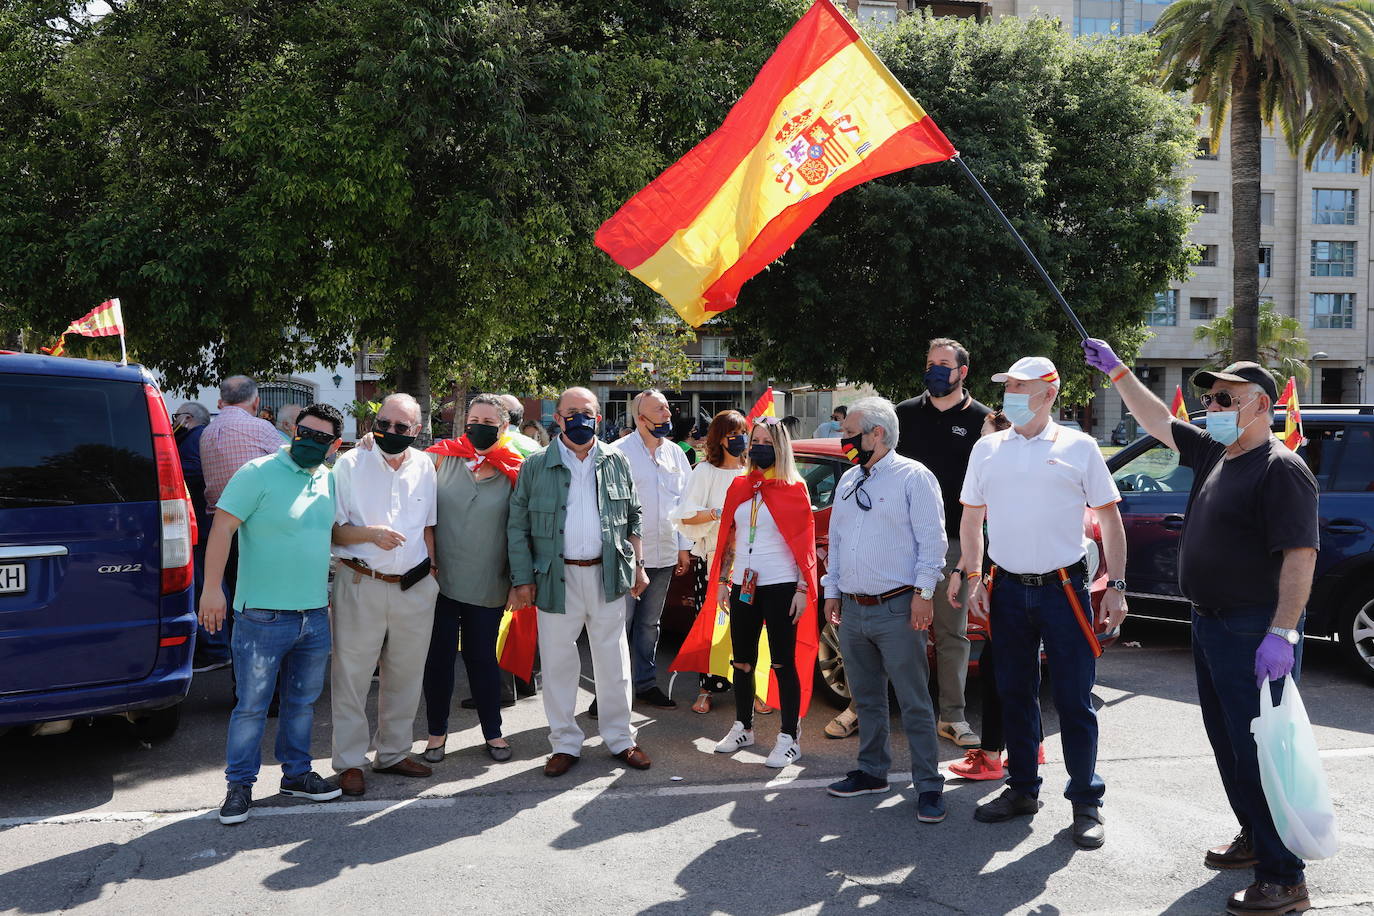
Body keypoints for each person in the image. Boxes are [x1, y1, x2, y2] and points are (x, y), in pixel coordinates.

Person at [1084, 341, 1319, 914]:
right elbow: (1157, 421)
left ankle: (1284, 877)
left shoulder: (1281, 469)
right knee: (1229, 744)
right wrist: (1117, 371)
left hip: (1251, 629)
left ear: (1261, 405)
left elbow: (1300, 555)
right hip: (1210, 623)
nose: (1210, 405)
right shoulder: (1218, 452)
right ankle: (1253, 837)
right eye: (1209, 397)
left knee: (1258, 752)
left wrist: (1282, 633)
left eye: (1224, 398)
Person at [957, 356, 1127, 849]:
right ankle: (1023, 790)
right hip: (1005, 587)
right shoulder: (987, 448)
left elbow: (1110, 520)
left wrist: (1116, 585)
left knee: (1074, 700)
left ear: (1049, 393)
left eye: (1017, 386)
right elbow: (971, 521)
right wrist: (974, 578)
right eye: (1005, 385)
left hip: (1064, 589)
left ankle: (1085, 802)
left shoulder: (1080, 445)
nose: (1008, 393)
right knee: (1014, 694)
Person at [198, 403, 346, 825]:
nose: (309, 441)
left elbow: (332, 532)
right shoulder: (256, 473)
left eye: (321, 438)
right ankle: (239, 785)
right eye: (304, 432)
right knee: (252, 707)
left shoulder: (328, 479)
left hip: (314, 614)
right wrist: (212, 590)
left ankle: (296, 776)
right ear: (291, 430)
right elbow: (222, 529)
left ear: (333, 445)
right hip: (261, 615)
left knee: (301, 705)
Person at [507, 386, 653, 776]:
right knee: (557, 663)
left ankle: (621, 738)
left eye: (586, 412)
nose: (579, 419)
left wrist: (638, 564)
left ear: (599, 418)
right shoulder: (536, 465)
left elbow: (634, 516)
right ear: (558, 418)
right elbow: (517, 526)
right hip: (556, 577)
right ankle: (565, 744)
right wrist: (522, 579)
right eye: (570, 412)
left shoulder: (616, 461)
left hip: (608, 574)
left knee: (614, 661)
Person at [821, 397, 949, 822]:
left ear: (877, 433)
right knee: (867, 698)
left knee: (914, 702)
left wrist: (924, 595)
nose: (844, 439)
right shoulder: (848, 480)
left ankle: (929, 785)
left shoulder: (914, 477)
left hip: (898, 607)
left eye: (849, 432)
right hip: (854, 609)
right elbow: (836, 541)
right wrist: (832, 590)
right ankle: (872, 771)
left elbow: (934, 544)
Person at [328, 393, 440, 796]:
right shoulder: (349, 464)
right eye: (384, 424)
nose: (390, 432)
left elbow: (429, 527)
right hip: (361, 582)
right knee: (352, 677)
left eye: (401, 427)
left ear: (417, 430)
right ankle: (350, 762)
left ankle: (392, 753)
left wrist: (433, 571)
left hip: (415, 586)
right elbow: (334, 530)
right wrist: (371, 534)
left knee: (406, 675)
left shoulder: (425, 465)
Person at [894, 338, 994, 750]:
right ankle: (893, 709)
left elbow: (990, 491)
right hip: (900, 542)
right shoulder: (902, 415)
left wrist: (970, 556)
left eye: (944, 364)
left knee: (951, 632)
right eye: (930, 362)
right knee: (898, 629)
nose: (935, 370)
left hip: (953, 542)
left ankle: (951, 716)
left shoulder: (984, 421)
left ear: (962, 372)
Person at [422, 394, 525, 764]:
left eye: (488, 421)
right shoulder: (438, 458)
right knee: (438, 659)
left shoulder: (516, 469)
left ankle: (493, 733)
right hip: (440, 581)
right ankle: (436, 734)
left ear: (504, 427)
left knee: (482, 659)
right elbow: (419, 512)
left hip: (488, 582)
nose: (478, 426)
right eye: (473, 419)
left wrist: (519, 581)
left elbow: (520, 530)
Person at [710, 417, 818, 768]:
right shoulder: (740, 486)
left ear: (781, 447)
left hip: (782, 585)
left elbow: (805, 544)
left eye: (766, 442)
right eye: (753, 439)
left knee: (782, 662)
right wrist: (725, 581)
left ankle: (789, 736)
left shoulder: (794, 489)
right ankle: (743, 725)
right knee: (741, 660)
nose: (757, 446)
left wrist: (803, 588)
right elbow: (730, 536)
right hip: (743, 584)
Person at [607, 389, 693, 715]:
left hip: (665, 555)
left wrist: (684, 548)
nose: (667, 415)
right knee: (618, 624)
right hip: (627, 558)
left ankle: (645, 684)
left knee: (649, 625)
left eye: (668, 409)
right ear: (640, 418)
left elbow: (685, 505)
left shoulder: (676, 454)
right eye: (660, 410)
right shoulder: (617, 453)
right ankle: (611, 691)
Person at [198, 376, 286, 661]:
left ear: (220, 401)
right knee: (267, 608)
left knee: (239, 605)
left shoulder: (207, 433)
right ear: (257, 402)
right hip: (257, 530)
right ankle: (262, 684)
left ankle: (242, 681)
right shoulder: (260, 428)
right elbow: (295, 467)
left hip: (219, 531)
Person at [671, 410, 749, 714]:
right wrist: (719, 513)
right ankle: (708, 687)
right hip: (714, 559)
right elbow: (686, 515)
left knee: (750, 623)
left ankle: (752, 686)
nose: (739, 440)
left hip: (751, 560)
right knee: (713, 623)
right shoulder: (704, 472)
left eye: (743, 433)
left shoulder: (752, 469)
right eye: (732, 435)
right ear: (719, 439)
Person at [173, 402, 219, 671]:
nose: (174, 421)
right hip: (204, 523)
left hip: (199, 525)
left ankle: (214, 648)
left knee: (204, 586)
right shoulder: (201, 437)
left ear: (188, 419)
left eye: (177, 417)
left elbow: (191, 472)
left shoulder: (193, 439)